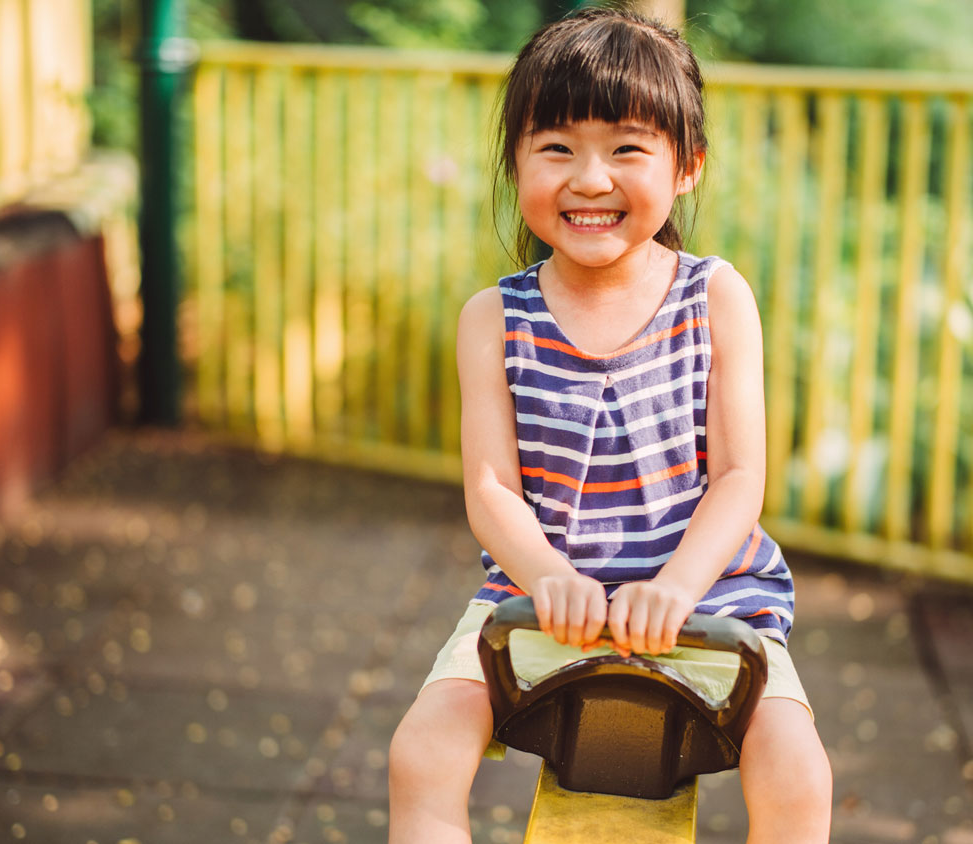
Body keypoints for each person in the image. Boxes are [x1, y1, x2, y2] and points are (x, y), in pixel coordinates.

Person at [388, 8, 832, 843]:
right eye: (555, 148)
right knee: (420, 753)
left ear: (686, 166)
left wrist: (677, 586)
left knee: (799, 769)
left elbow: (739, 477)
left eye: (627, 149)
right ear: (516, 160)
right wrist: (546, 573)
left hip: (708, 593)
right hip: (542, 593)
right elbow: (491, 488)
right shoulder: (495, 317)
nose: (589, 179)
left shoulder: (715, 298)